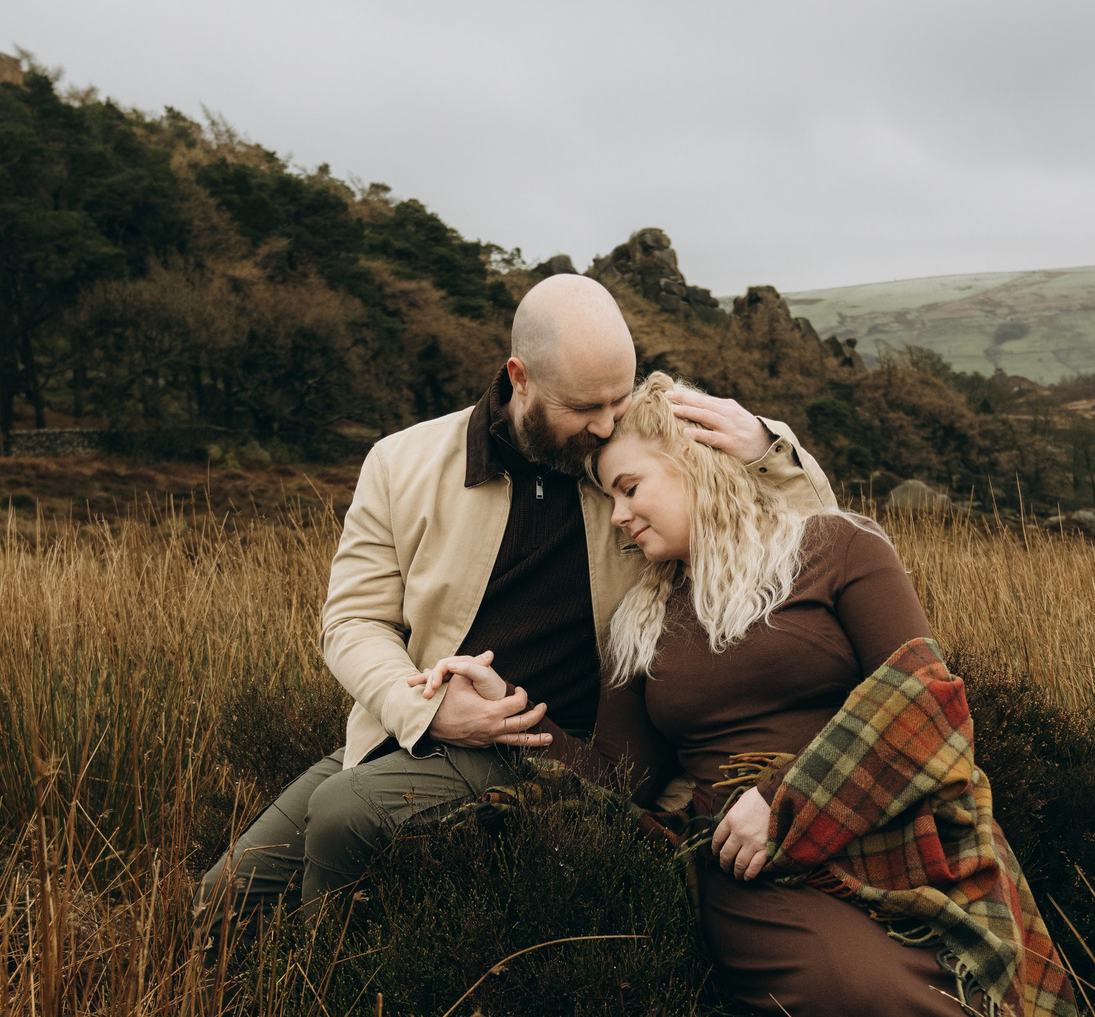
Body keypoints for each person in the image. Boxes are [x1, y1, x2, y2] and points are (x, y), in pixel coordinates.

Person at [422, 373, 1082, 1017]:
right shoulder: (643, 626)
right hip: (749, 876)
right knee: (844, 995)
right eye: (608, 498)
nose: (622, 514)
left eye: (632, 485)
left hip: (896, 835)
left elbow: (925, 686)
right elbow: (625, 781)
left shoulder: (840, 549)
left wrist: (792, 797)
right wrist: (520, 722)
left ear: (693, 464)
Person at [199, 274, 829, 912]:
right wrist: (423, 711)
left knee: (342, 816)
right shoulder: (399, 462)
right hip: (415, 732)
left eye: (619, 398)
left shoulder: (642, 451)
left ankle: (329, 997)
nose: (608, 426)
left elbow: (807, 539)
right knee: (223, 899)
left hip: (563, 746)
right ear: (519, 376)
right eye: (585, 407)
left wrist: (767, 450)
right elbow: (353, 622)